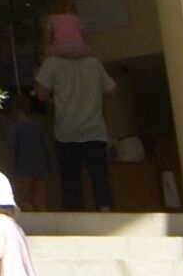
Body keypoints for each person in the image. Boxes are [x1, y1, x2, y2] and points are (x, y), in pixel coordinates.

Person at [31, 22, 118, 213]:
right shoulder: (94, 63)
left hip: (66, 131)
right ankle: (105, 212)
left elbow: (41, 94)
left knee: (71, 181)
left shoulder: (53, 63)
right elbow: (112, 88)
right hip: (95, 130)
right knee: (100, 178)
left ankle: (73, 220)